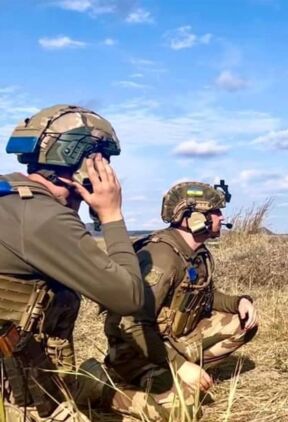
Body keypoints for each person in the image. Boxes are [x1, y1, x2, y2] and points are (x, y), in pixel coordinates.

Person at [0, 104, 145, 420]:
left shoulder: (10, 196)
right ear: (83, 163)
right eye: (101, 161)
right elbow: (128, 297)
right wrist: (111, 215)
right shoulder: (44, 218)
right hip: (18, 392)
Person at [102, 181, 259, 420]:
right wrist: (181, 366)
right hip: (135, 351)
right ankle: (100, 387)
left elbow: (205, 296)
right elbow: (132, 324)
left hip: (170, 340)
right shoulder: (162, 257)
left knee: (242, 322)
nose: (221, 217)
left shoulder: (196, 252)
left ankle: (182, 375)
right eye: (215, 212)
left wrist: (239, 302)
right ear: (191, 218)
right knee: (184, 410)